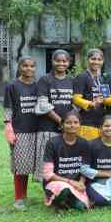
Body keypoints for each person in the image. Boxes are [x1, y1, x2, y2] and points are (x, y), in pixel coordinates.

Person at [4, 56, 39, 210]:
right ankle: (19, 198)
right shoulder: (12, 86)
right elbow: (7, 108)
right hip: (20, 131)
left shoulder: (39, 86)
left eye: (32, 66)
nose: (28, 69)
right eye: (25, 66)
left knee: (34, 164)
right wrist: (8, 127)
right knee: (20, 164)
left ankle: (28, 196)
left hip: (37, 130)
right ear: (19, 67)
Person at [34, 50, 74, 180]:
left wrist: (68, 124)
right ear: (52, 61)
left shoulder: (71, 81)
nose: (61, 63)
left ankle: (62, 192)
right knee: (47, 163)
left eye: (64, 61)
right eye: (58, 60)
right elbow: (43, 104)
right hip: (48, 128)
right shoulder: (45, 80)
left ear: (69, 62)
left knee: (63, 162)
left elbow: (75, 104)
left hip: (67, 129)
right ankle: (48, 192)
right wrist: (61, 122)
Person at [42, 111, 90, 210]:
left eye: (76, 122)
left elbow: (85, 169)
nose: (72, 125)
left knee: (81, 207)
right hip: (57, 183)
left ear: (80, 124)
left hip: (76, 185)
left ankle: (68, 201)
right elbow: (48, 175)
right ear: (62, 125)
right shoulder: (52, 143)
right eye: (68, 123)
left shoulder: (84, 143)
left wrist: (81, 182)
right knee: (64, 189)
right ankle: (55, 200)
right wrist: (70, 182)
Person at [83, 115, 111, 207]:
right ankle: (109, 200)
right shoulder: (91, 145)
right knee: (100, 201)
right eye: (106, 126)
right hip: (95, 183)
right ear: (100, 128)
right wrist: (107, 173)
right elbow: (84, 169)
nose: (110, 128)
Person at [72, 49, 106, 140]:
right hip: (86, 123)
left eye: (99, 59)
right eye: (93, 59)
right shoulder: (82, 77)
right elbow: (76, 99)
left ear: (102, 61)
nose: (96, 62)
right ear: (87, 60)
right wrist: (91, 104)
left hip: (99, 122)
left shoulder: (101, 79)